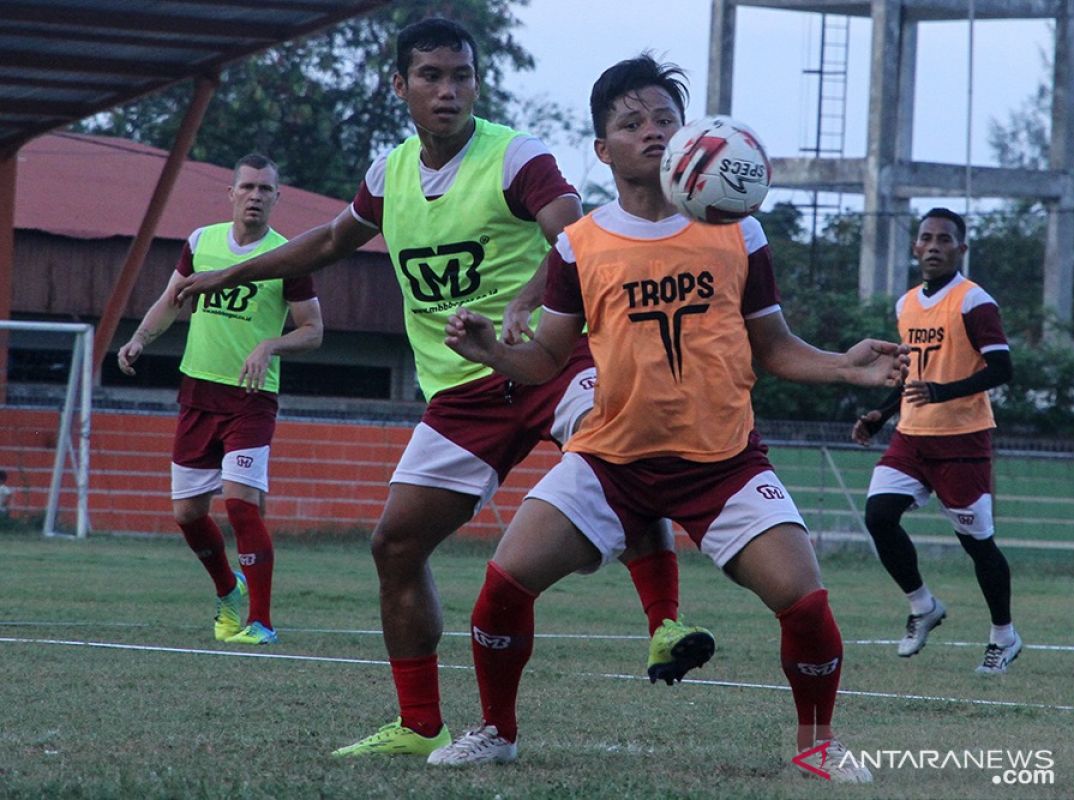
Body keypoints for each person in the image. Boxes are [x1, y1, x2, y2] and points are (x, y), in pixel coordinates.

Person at [175, 18, 707, 758]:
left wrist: (527, 297)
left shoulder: (515, 156)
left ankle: (664, 627)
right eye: (430, 76)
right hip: (460, 395)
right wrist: (231, 272)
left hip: (552, 362)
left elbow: (574, 233)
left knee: (614, 451)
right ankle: (420, 723)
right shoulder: (387, 175)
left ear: (477, 84)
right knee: (394, 545)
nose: (448, 90)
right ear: (400, 86)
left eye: (461, 75)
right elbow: (330, 242)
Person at [427, 54, 908, 783]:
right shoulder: (578, 244)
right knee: (502, 586)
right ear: (602, 149)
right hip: (607, 460)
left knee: (805, 601)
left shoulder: (738, 231)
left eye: (664, 118)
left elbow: (773, 348)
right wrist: (490, 348)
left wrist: (846, 365)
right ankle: (496, 731)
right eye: (631, 122)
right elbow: (548, 359)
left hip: (722, 461)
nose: (651, 132)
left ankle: (816, 744)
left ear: (688, 135)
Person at [118, 153, 323, 646]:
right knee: (188, 515)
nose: (255, 196)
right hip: (197, 394)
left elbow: (314, 330)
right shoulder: (201, 242)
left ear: (277, 198)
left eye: (265, 189)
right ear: (231, 193)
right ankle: (228, 592)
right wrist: (140, 338)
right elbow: (172, 299)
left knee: (241, 504)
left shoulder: (288, 256)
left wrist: (271, 344)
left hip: (251, 400)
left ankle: (262, 621)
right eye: (247, 187)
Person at [851, 207, 1021, 675]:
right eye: (926, 238)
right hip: (911, 437)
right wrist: (881, 415)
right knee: (879, 515)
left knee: (977, 545)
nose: (933, 246)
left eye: (944, 239)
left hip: (962, 441)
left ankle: (1004, 636)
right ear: (914, 247)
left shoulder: (974, 302)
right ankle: (923, 605)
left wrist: (944, 392)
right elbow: (912, 374)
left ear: (961, 249)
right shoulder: (906, 305)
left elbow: (1002, 369)